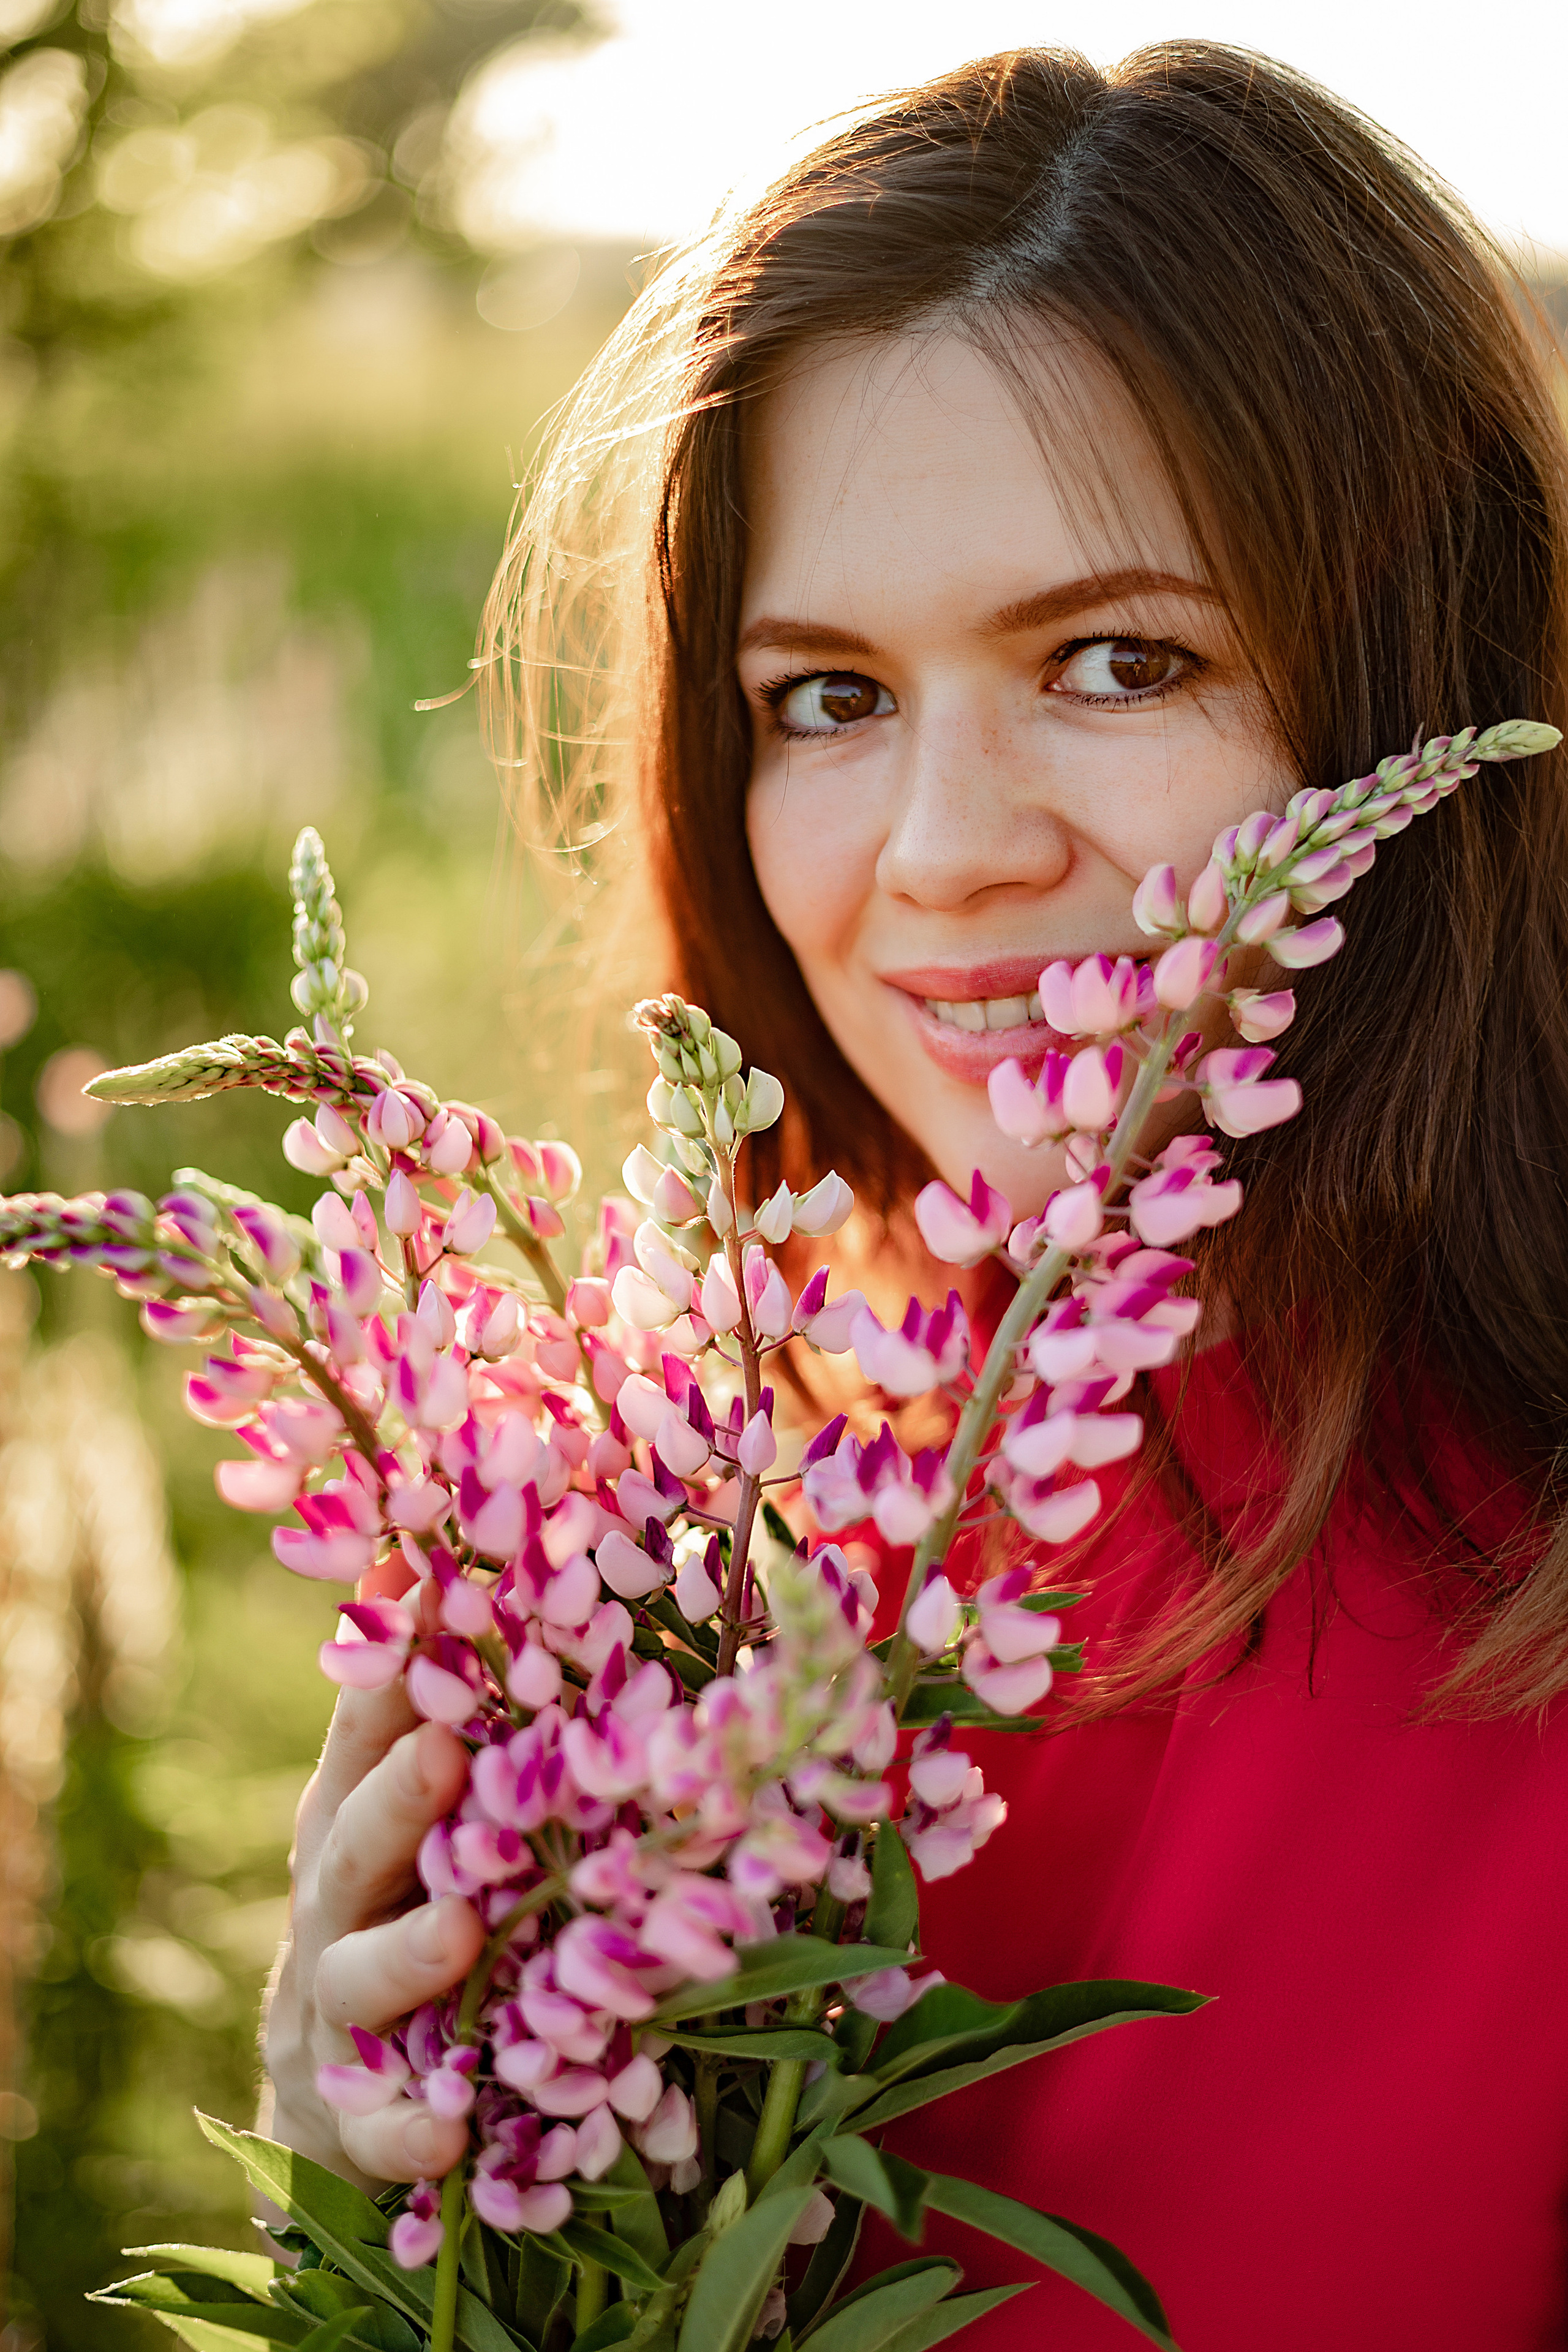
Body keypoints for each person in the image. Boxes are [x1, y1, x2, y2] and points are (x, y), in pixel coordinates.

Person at [259, 43, 1568, 2349]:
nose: (950, 850)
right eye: (830, 697)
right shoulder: (681, 1535)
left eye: (1120, 660)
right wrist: (373, 2193)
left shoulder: (1513, 1574)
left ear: (1418, 693)